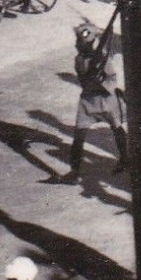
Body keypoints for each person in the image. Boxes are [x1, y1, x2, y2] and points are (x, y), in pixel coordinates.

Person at [56, 20, 127, 184]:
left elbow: (112, 78)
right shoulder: (79, 60)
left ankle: (124, 158)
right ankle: (74, 173)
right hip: (88, 101)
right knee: (79, 136)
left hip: (105, 99)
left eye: (81, 42)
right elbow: (83, 77)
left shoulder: (102, 58)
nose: (77, 45)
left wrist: (101, 84)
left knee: (116, 127)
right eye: (78, 41)